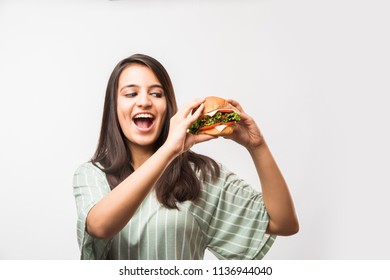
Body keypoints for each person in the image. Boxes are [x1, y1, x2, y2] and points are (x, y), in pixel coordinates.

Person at [73, 53, 299, 260]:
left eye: (156, 93)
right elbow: (100, 227)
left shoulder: (199, 176)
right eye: (131, 93)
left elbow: (283, 223)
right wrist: (169, 150)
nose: (144, 101)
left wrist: (257, 146)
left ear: (167, 106)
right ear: (114, 107)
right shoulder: (93, 175)